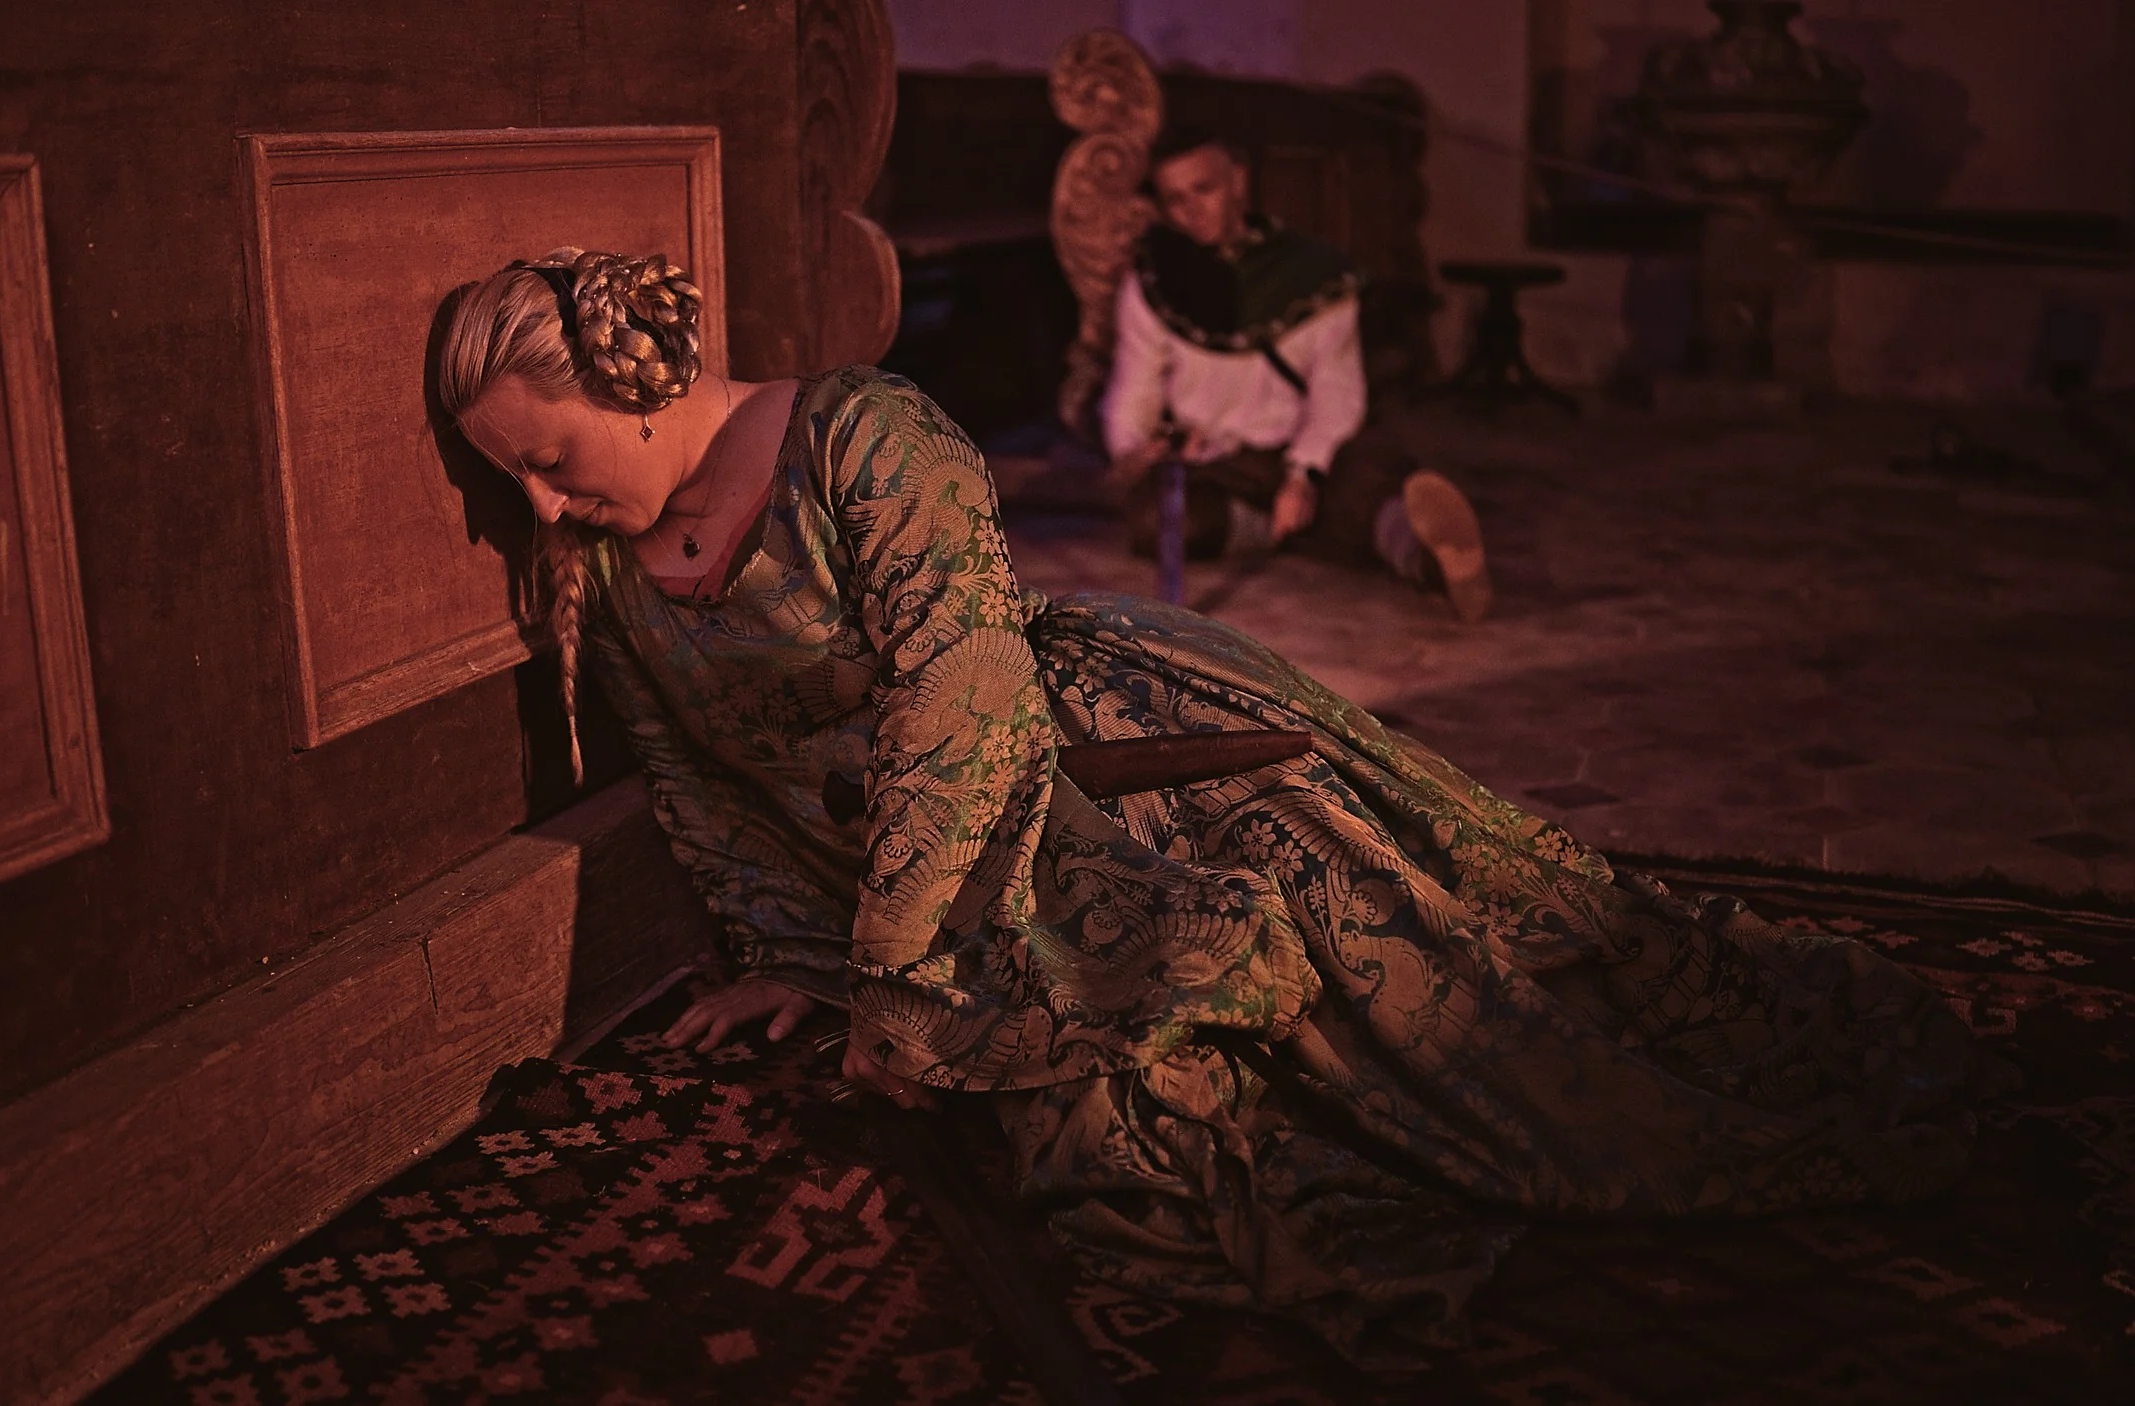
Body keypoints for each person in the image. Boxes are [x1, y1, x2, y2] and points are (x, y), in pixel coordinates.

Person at [433, 248, 2009, 1365]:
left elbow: (963, 696)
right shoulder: (603, 578)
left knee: (1435, 1008)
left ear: (631, 380)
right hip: (936, 890)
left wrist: (899, 971)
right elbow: (704, 788)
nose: (542, 505)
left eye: (552, 460)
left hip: (1106, 759)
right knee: (1123, 1149)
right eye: (513, 481)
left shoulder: (863, 434)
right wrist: (804, 954)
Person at [1105, 126, 1493, 622]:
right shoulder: (1154, 281)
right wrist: (1133, 450)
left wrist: (1303, 474)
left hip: (1306, 448)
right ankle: (1295, 529)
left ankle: (1429, 561)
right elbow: (1134, 384)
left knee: (1367, 480)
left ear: (1238, 181)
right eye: (1176, 199)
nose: (1192, 211)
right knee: (1160, 519)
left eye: (1204, 189)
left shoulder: (1314, 274)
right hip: (1219, 463)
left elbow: (1337, 393)